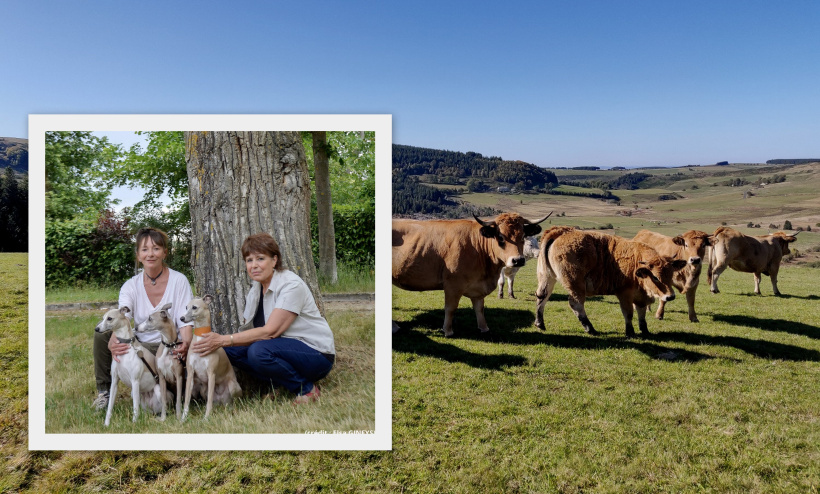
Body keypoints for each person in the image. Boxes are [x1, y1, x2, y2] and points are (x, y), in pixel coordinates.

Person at [190, 233, 335, 404]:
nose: (254, 265)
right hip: (282, 350)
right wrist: (219, 343)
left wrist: (222, 339)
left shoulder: (291, 285)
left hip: (316, 354)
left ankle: (305, 389)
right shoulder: (255, 289)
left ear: (274, 260)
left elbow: (270, 332)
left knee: (258, 351)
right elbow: (250, 333)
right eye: (249, 260)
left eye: (260, 258)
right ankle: (284, 383)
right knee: (228, 352)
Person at [92, 227, 194, 410]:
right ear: (138, 255)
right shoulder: (130, 286)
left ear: (165, 252)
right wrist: (114, 341)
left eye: (156, 248)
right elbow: (122, 316)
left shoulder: (179, 281)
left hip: (170, 344)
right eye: (145, 249)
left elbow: (184, 320)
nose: (150, 254)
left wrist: (185, 343)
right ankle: (104, 392)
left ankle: (181, 391)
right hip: (142, 346)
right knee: (102, 335)